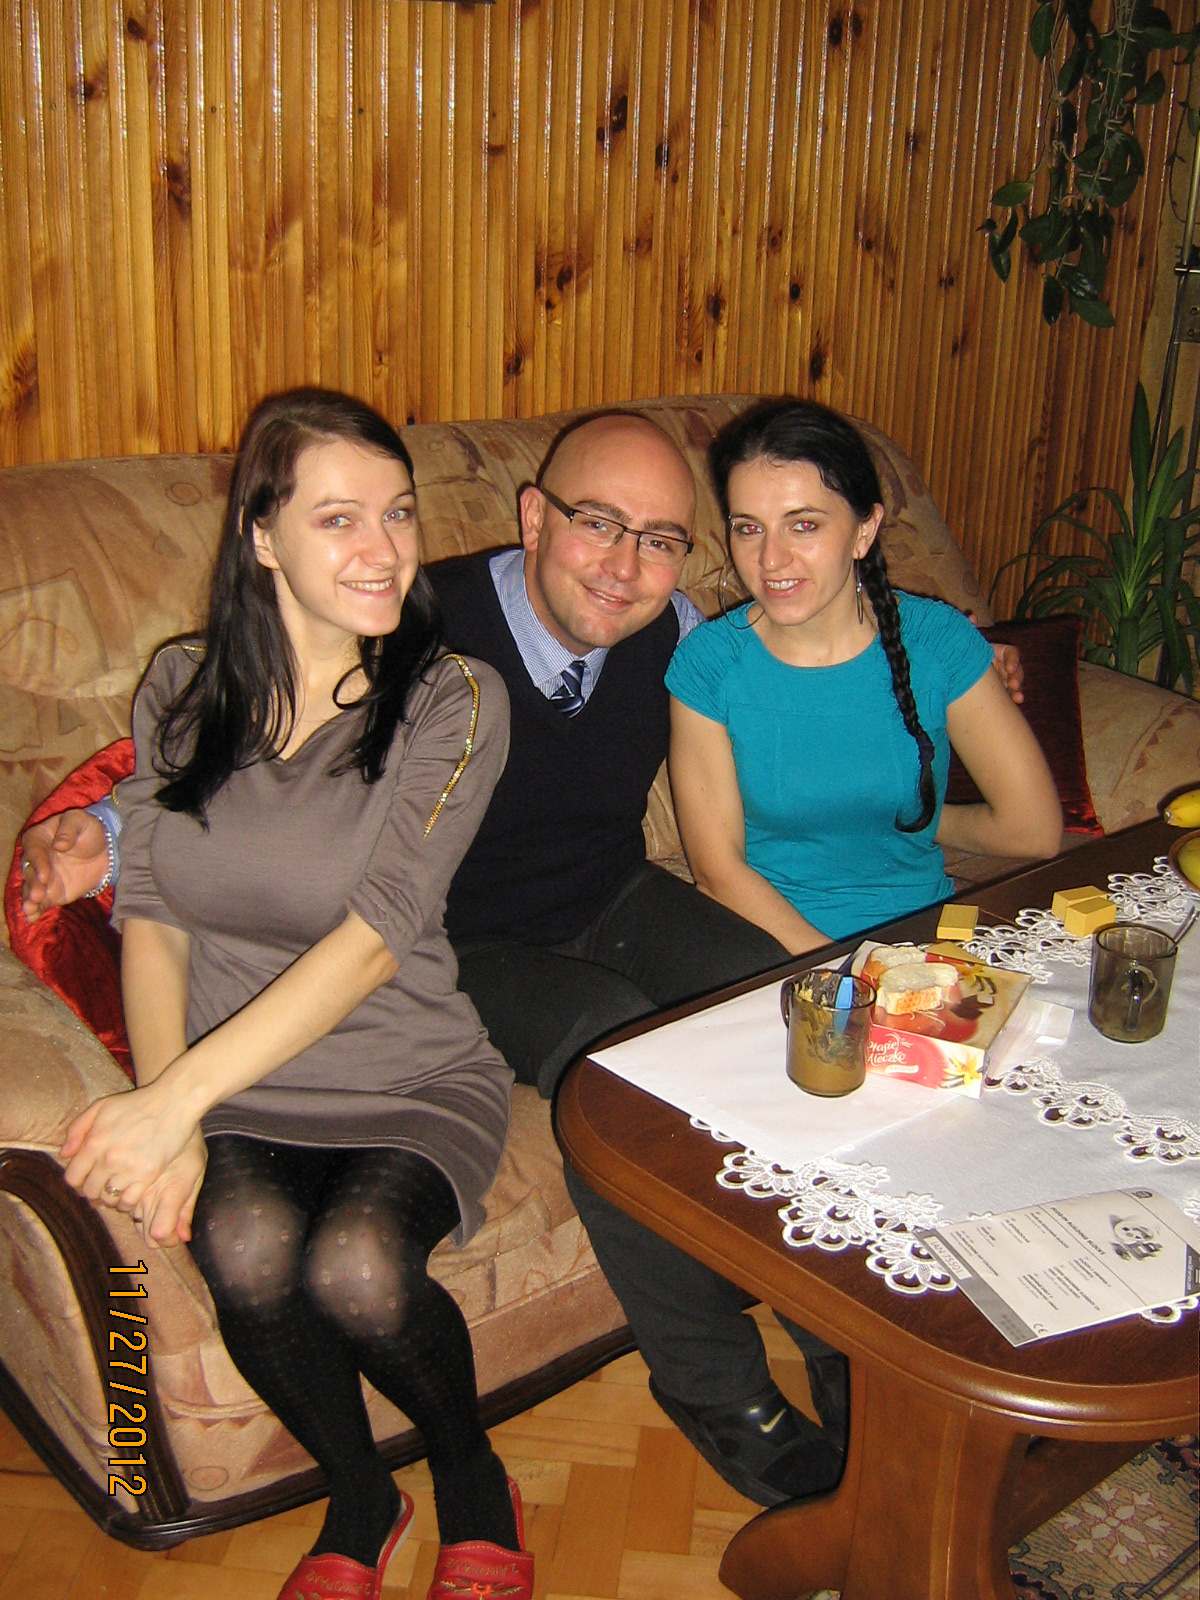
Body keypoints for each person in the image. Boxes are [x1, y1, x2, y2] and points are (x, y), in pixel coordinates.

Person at [20, 406, 1026, 1511]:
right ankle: (715, 1386)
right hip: (461, 944)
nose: (625, 566)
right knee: (608, 1058)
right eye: (598, 523)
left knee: (778, 1004)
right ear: (534, 518)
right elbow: (260, 745)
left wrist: (955, 661)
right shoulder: (413, 619)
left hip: (613, 892)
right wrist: (107, 831)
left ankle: (850, 1344)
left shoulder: (676, 628)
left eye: (660, 539)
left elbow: (791, 644)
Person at [53, 388, 533, 1600]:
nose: (383, 548)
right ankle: (362, 1493)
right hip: (240, 1082)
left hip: (407, 1072)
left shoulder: (455, 698)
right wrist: (174, 1104)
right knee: (247, 1247)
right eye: (337, 518)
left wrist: (175, 1105)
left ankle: (473, 1474)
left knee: (359, 1267)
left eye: (399, 512)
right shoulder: (180, 687)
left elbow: (378, 939)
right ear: (261, 536)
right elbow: (153, 911)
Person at [666, 397, 1062, 953]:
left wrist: (915, 816)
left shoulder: (937, 641)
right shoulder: (708, 666)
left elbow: (1034, 830)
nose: (771, 559)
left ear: (864, 530)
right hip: (770, 952)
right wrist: (854, 973)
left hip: (923, 943)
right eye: (748, 528)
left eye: (803, 525)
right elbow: (719, 874)